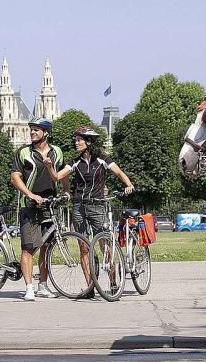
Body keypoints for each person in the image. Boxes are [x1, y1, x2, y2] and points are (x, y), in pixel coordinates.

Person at [43, 126, 134, 298]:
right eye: (75, 140)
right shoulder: (75, 161)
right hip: (79, 207)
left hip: (97, 206)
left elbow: (119, 172)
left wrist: (128, 185)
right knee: (83, 248)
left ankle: (113, 282)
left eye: (79, 140)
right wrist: (49, 167)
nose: (76, 142)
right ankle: (89, 287)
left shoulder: (102, 159)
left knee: (104, 245)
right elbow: (57, 177)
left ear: (89, 142)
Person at [11, 117, 65, 301]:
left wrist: (66, 192)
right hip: (30, 206)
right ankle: (29, 287)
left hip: (49, 205)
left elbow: (63, 173)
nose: (33, 132)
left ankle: (43, 285)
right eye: (31, 129)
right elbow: (15, 177)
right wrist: (29, 194)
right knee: (28, 248)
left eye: (37, 130)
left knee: (46, 248)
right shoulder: (23, 152)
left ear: (46, 133)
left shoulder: (57, 152)